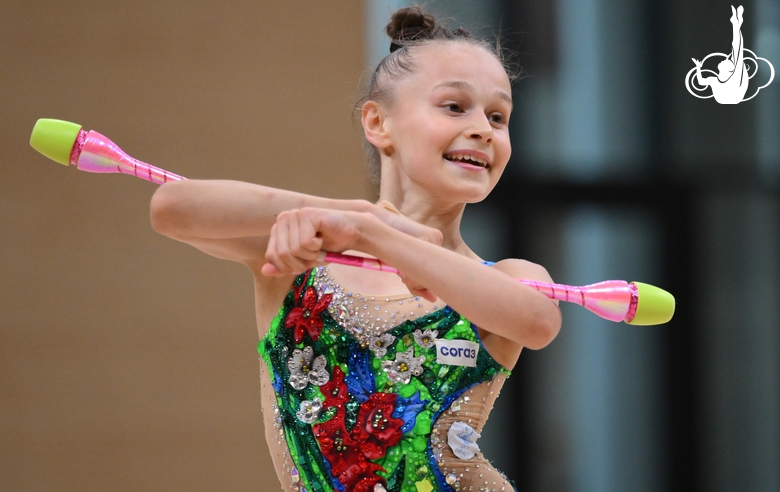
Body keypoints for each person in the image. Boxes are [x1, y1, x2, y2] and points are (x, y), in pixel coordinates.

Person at [150, 6, 561, 492]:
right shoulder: (304, 254)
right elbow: (172, 208)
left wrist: (373, 235)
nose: (483, 129)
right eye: (454, 107)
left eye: (498, 116)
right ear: (378, 122)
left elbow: (538, 322)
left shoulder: (506, 276)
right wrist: (351, 218)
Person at [692, 5, 748, 104]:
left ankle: (736, 23)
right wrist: (698, 67)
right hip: (729, 97)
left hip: (733, 96)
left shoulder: (733, 78)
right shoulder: (715, 80)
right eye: (728, 61)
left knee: (737, 50)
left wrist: (736, 26)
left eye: (728, 61)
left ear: (729, 69)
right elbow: (701, 82)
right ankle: (736, 23)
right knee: (737, 51)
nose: (725, 59)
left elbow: (737, 49)